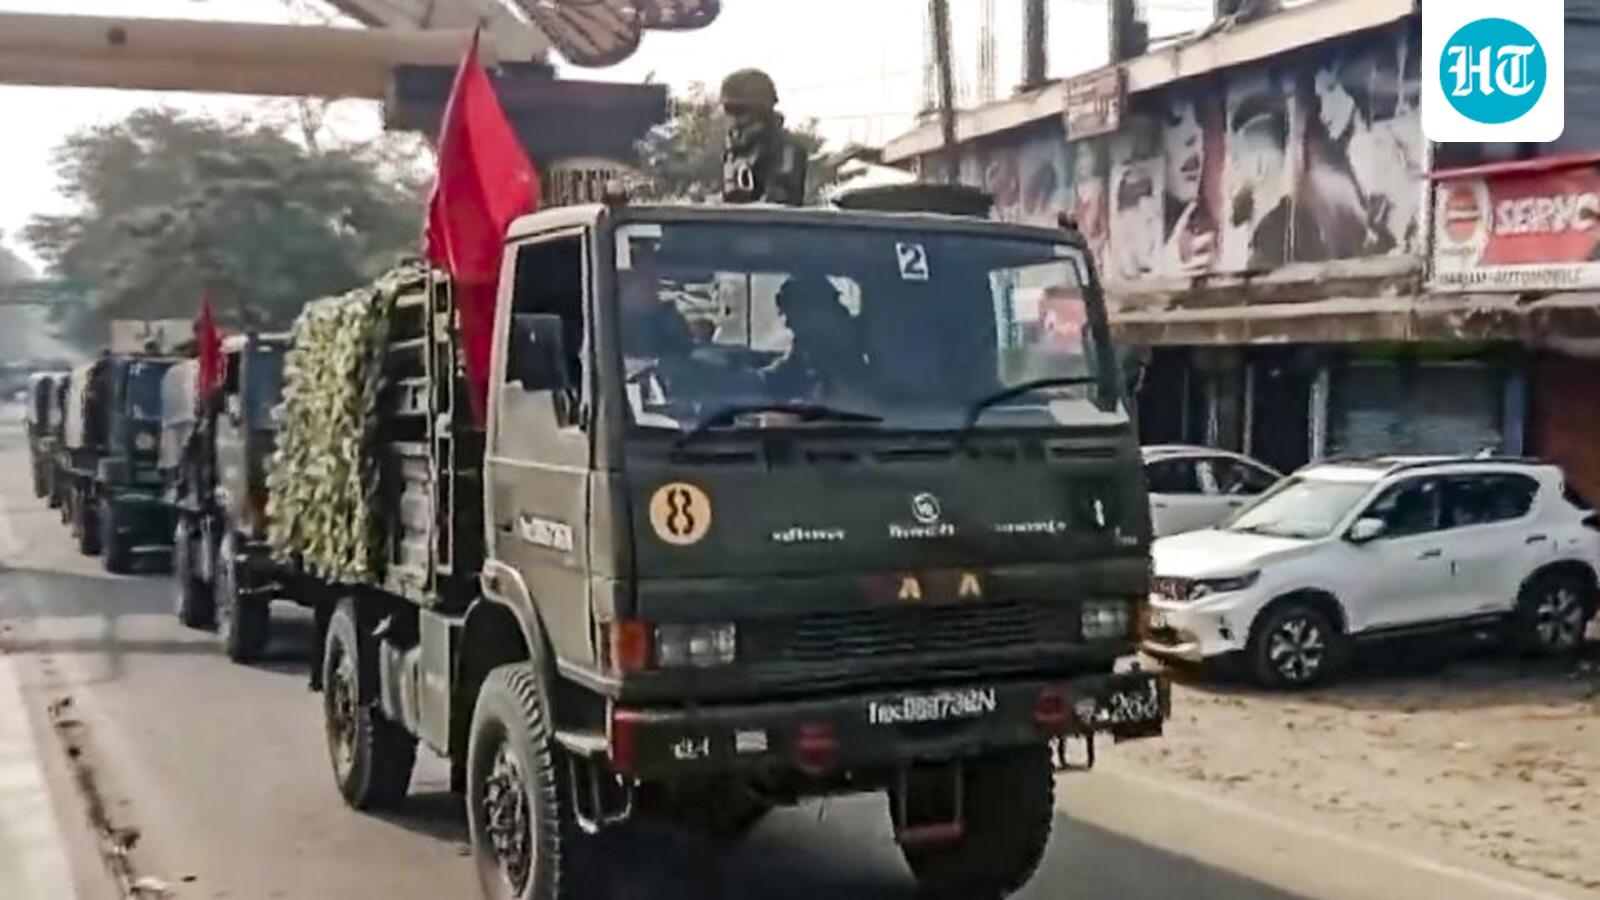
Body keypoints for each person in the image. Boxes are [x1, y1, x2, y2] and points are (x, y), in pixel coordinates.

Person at [762, 275, 872, 405]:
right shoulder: (810, 338)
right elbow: (789, 369)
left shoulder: (841, 343)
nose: (787, 324)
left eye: (791, 314)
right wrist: (759, 379)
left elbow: (842, 391)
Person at [721, 69, 807, 206]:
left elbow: (779, 203)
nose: (735, 119)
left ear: (763, 112)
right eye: (729, 109)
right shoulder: (733, 151)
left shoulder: (785, 148)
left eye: (741, 111)